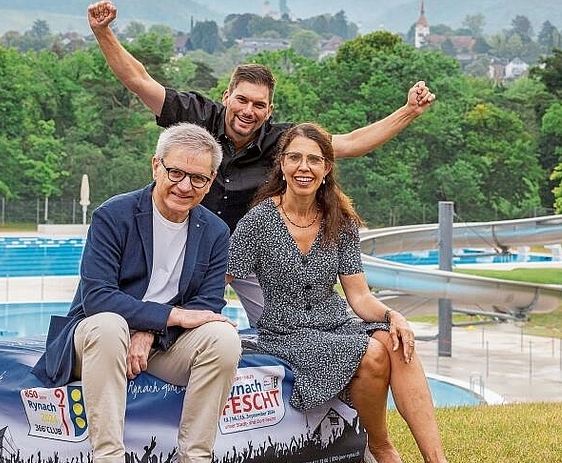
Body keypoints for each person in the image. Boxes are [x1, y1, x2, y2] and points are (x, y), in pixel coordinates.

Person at [86, 0, 437, 327]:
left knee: (285, 328)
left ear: (269, 110)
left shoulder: (282, 142)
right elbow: (138, 80)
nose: (247, 111)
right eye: (241, 100)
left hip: (249, 253)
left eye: (258, 105)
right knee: (162, 319)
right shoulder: (195, 115)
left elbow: (353, 143)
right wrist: (103, 32)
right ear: (227, 97)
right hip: (188, 243)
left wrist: (409, 111)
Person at [226, 123, 478, 463]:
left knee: (396, 342)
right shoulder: (258, 221)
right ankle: (379, 446)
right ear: (280, 164)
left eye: (314, 159)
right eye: (295, 158)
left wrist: (394, 316)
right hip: (286, 331)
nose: (303, 167)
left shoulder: (338, 221)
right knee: (373, 351)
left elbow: (358, 297)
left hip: (335, 319)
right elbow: (222, 279)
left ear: (327, 168)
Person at [32, 123, 245, 463]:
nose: (184, 186)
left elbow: (208, 304)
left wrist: (150, 331)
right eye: (175, 172)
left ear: (211, 180)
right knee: (111, 325)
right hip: (96, 337)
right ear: (155, 166)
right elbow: (98, 298)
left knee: (223, 337)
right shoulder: (114, 215)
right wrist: (165, 318)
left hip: (163, 345)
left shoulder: (214, 231)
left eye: (197, 178)